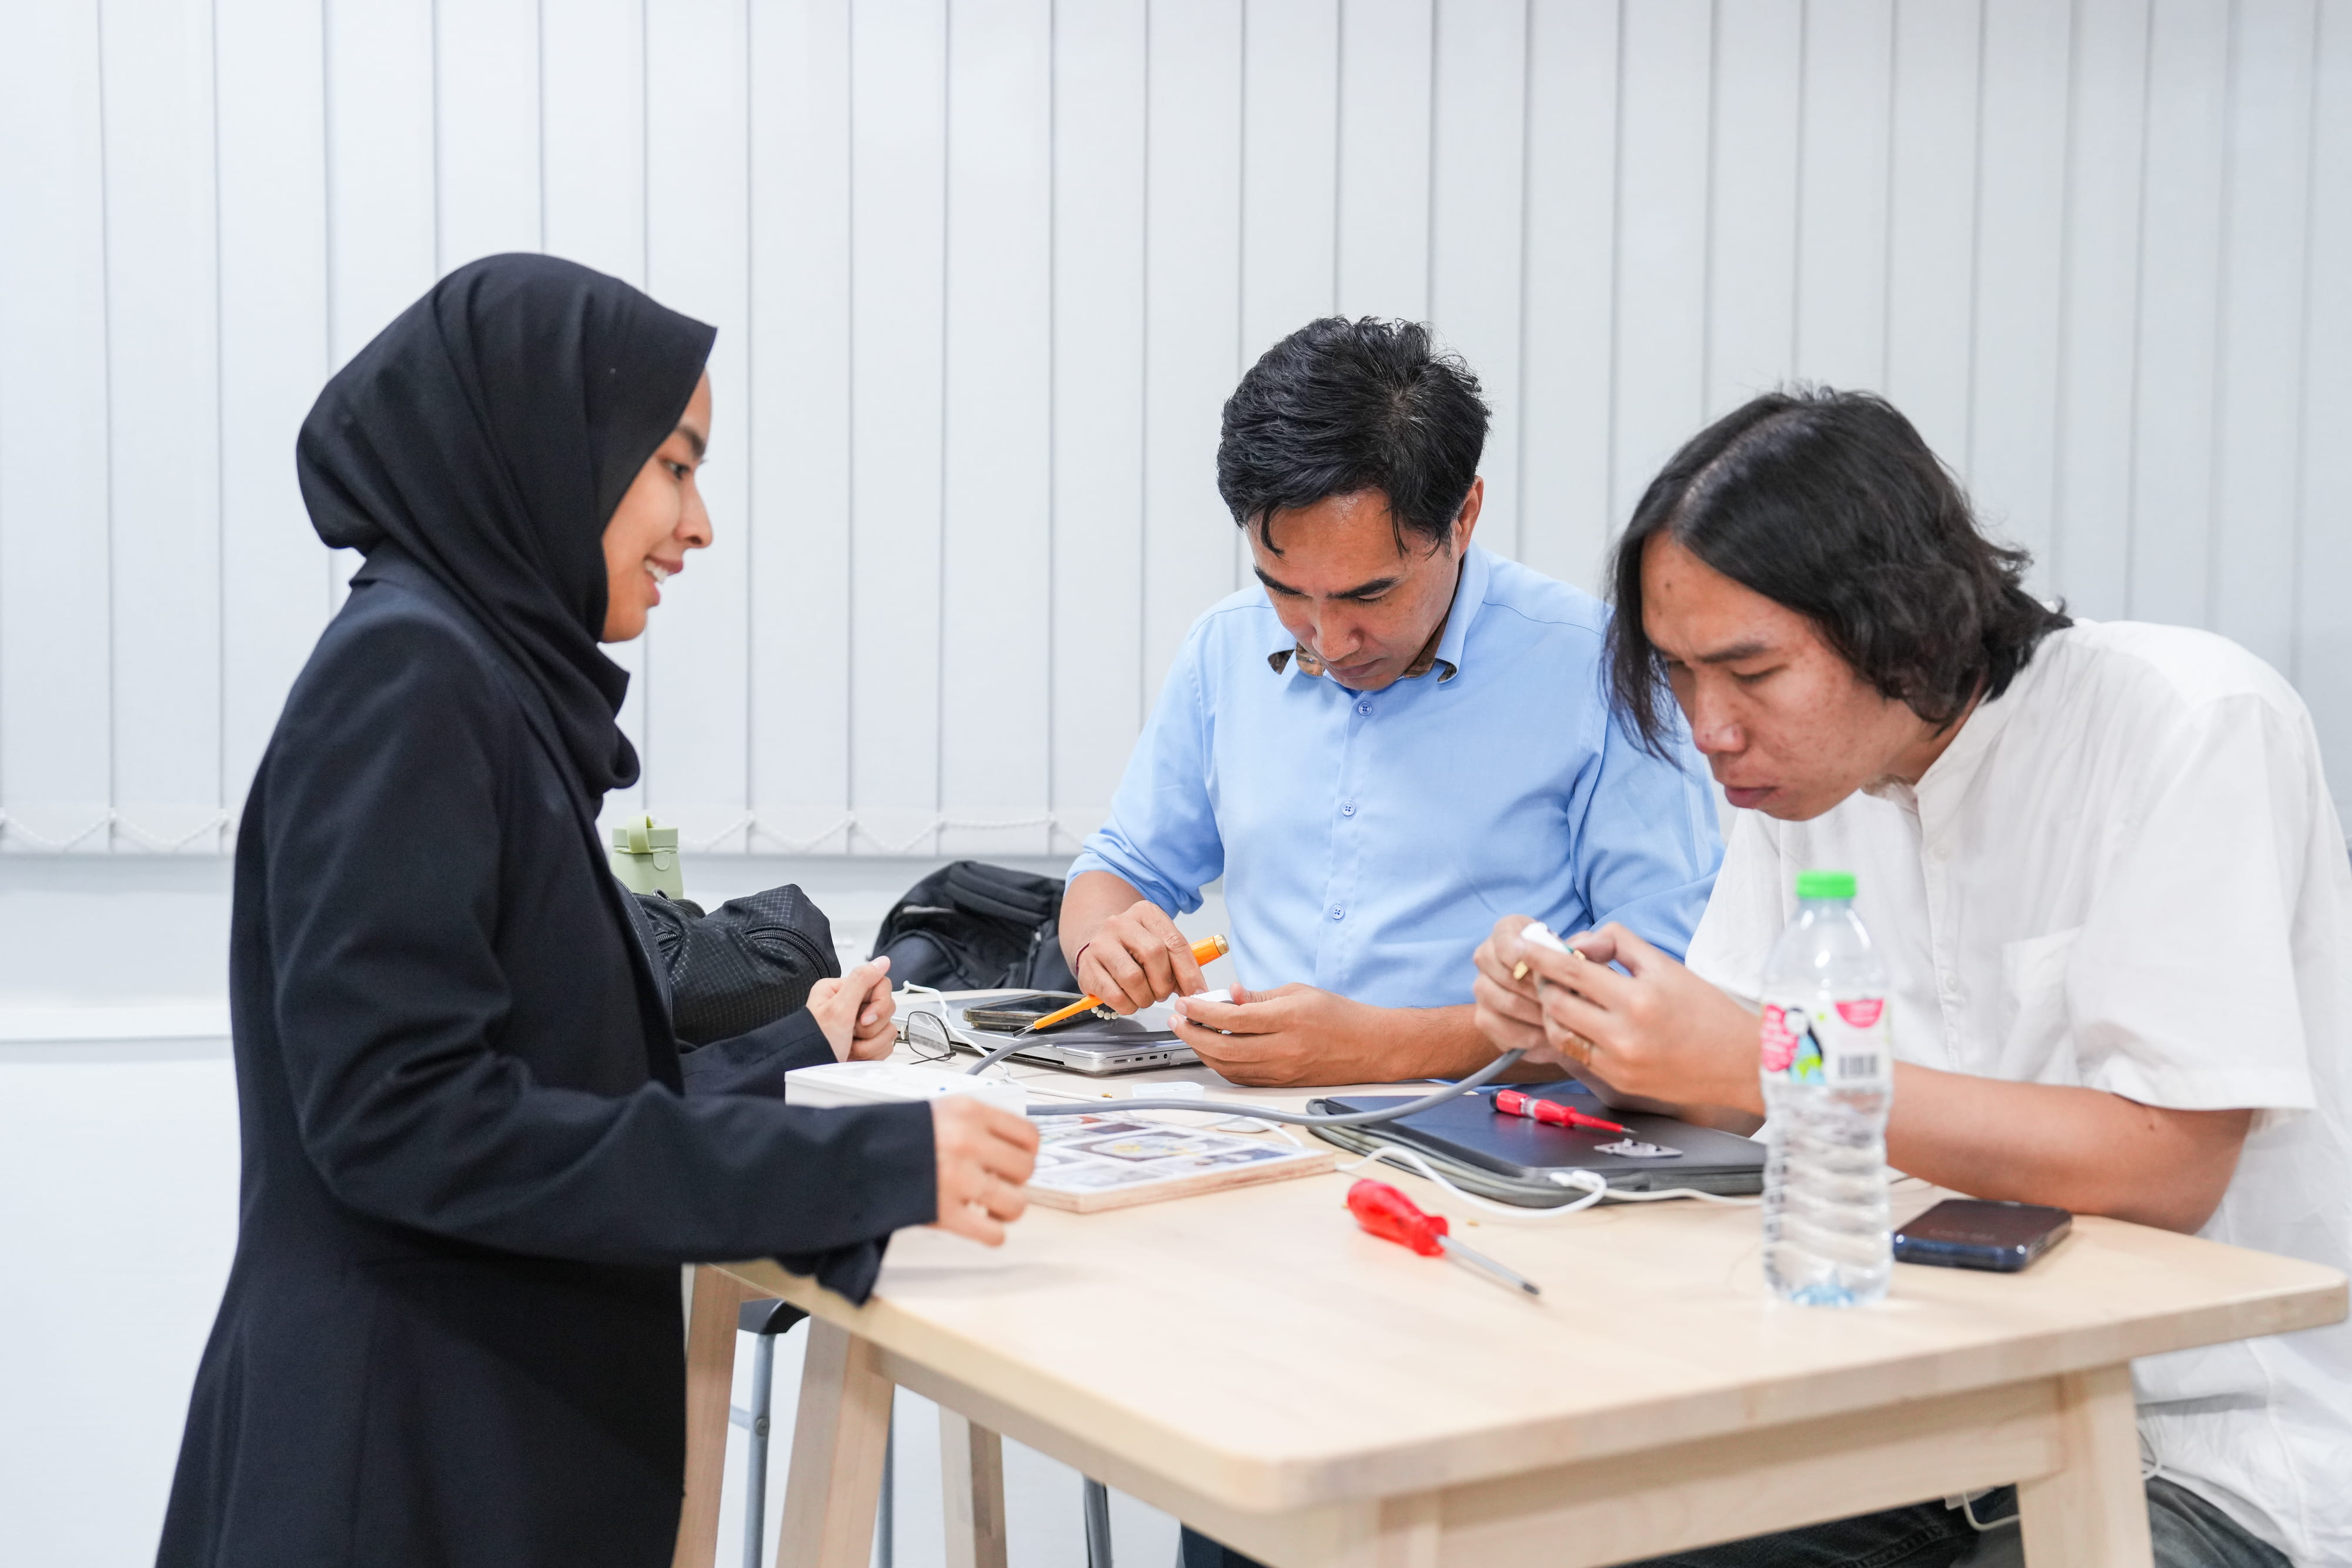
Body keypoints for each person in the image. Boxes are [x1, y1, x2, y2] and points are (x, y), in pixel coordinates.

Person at [157, 255, 1039, 1568]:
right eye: (674, 466)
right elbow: (412, 1122)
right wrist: (867, 1164)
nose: (699, 524)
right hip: (394, 1478)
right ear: (540, 444)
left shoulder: (468, 675)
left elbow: (540, 1081)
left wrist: (791, 1049)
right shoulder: (411, 679)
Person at [1471, 388, 2351, 1566]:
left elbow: (2164, 1161)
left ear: (1905, 624)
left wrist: (1751, 1061)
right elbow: (1731, 1064)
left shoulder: (2186, 722)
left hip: (2192, 1439)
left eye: (1748, 671)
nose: (1707, 729)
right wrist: (1585, 1025)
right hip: (1902, 1407)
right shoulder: (1803, 779)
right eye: (1678, 675)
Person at [1060, 317, 1721, 1087]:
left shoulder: (1597, 665)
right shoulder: (1225, 648)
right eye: (1286, 591)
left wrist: (1389, 1049)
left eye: (1370, 594)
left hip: (1500, 1153)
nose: (1331, 640)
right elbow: (1120, 867)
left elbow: (1664, 982)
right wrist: (1104, 943)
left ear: (1463, 518)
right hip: (1259, 1130)